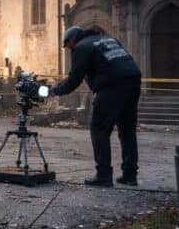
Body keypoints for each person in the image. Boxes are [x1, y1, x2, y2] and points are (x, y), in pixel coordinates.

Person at [51, 25, 142, 187]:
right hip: (133, 81)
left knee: (99, 129)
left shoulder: (81, 47)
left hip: (112, 86)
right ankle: (130, 175)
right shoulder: (109, 39)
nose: (69, 49)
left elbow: (74, 80)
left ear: (72, 39)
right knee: (127, 130)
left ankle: (103, 175)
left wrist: (54, 90)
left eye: (68, 45)